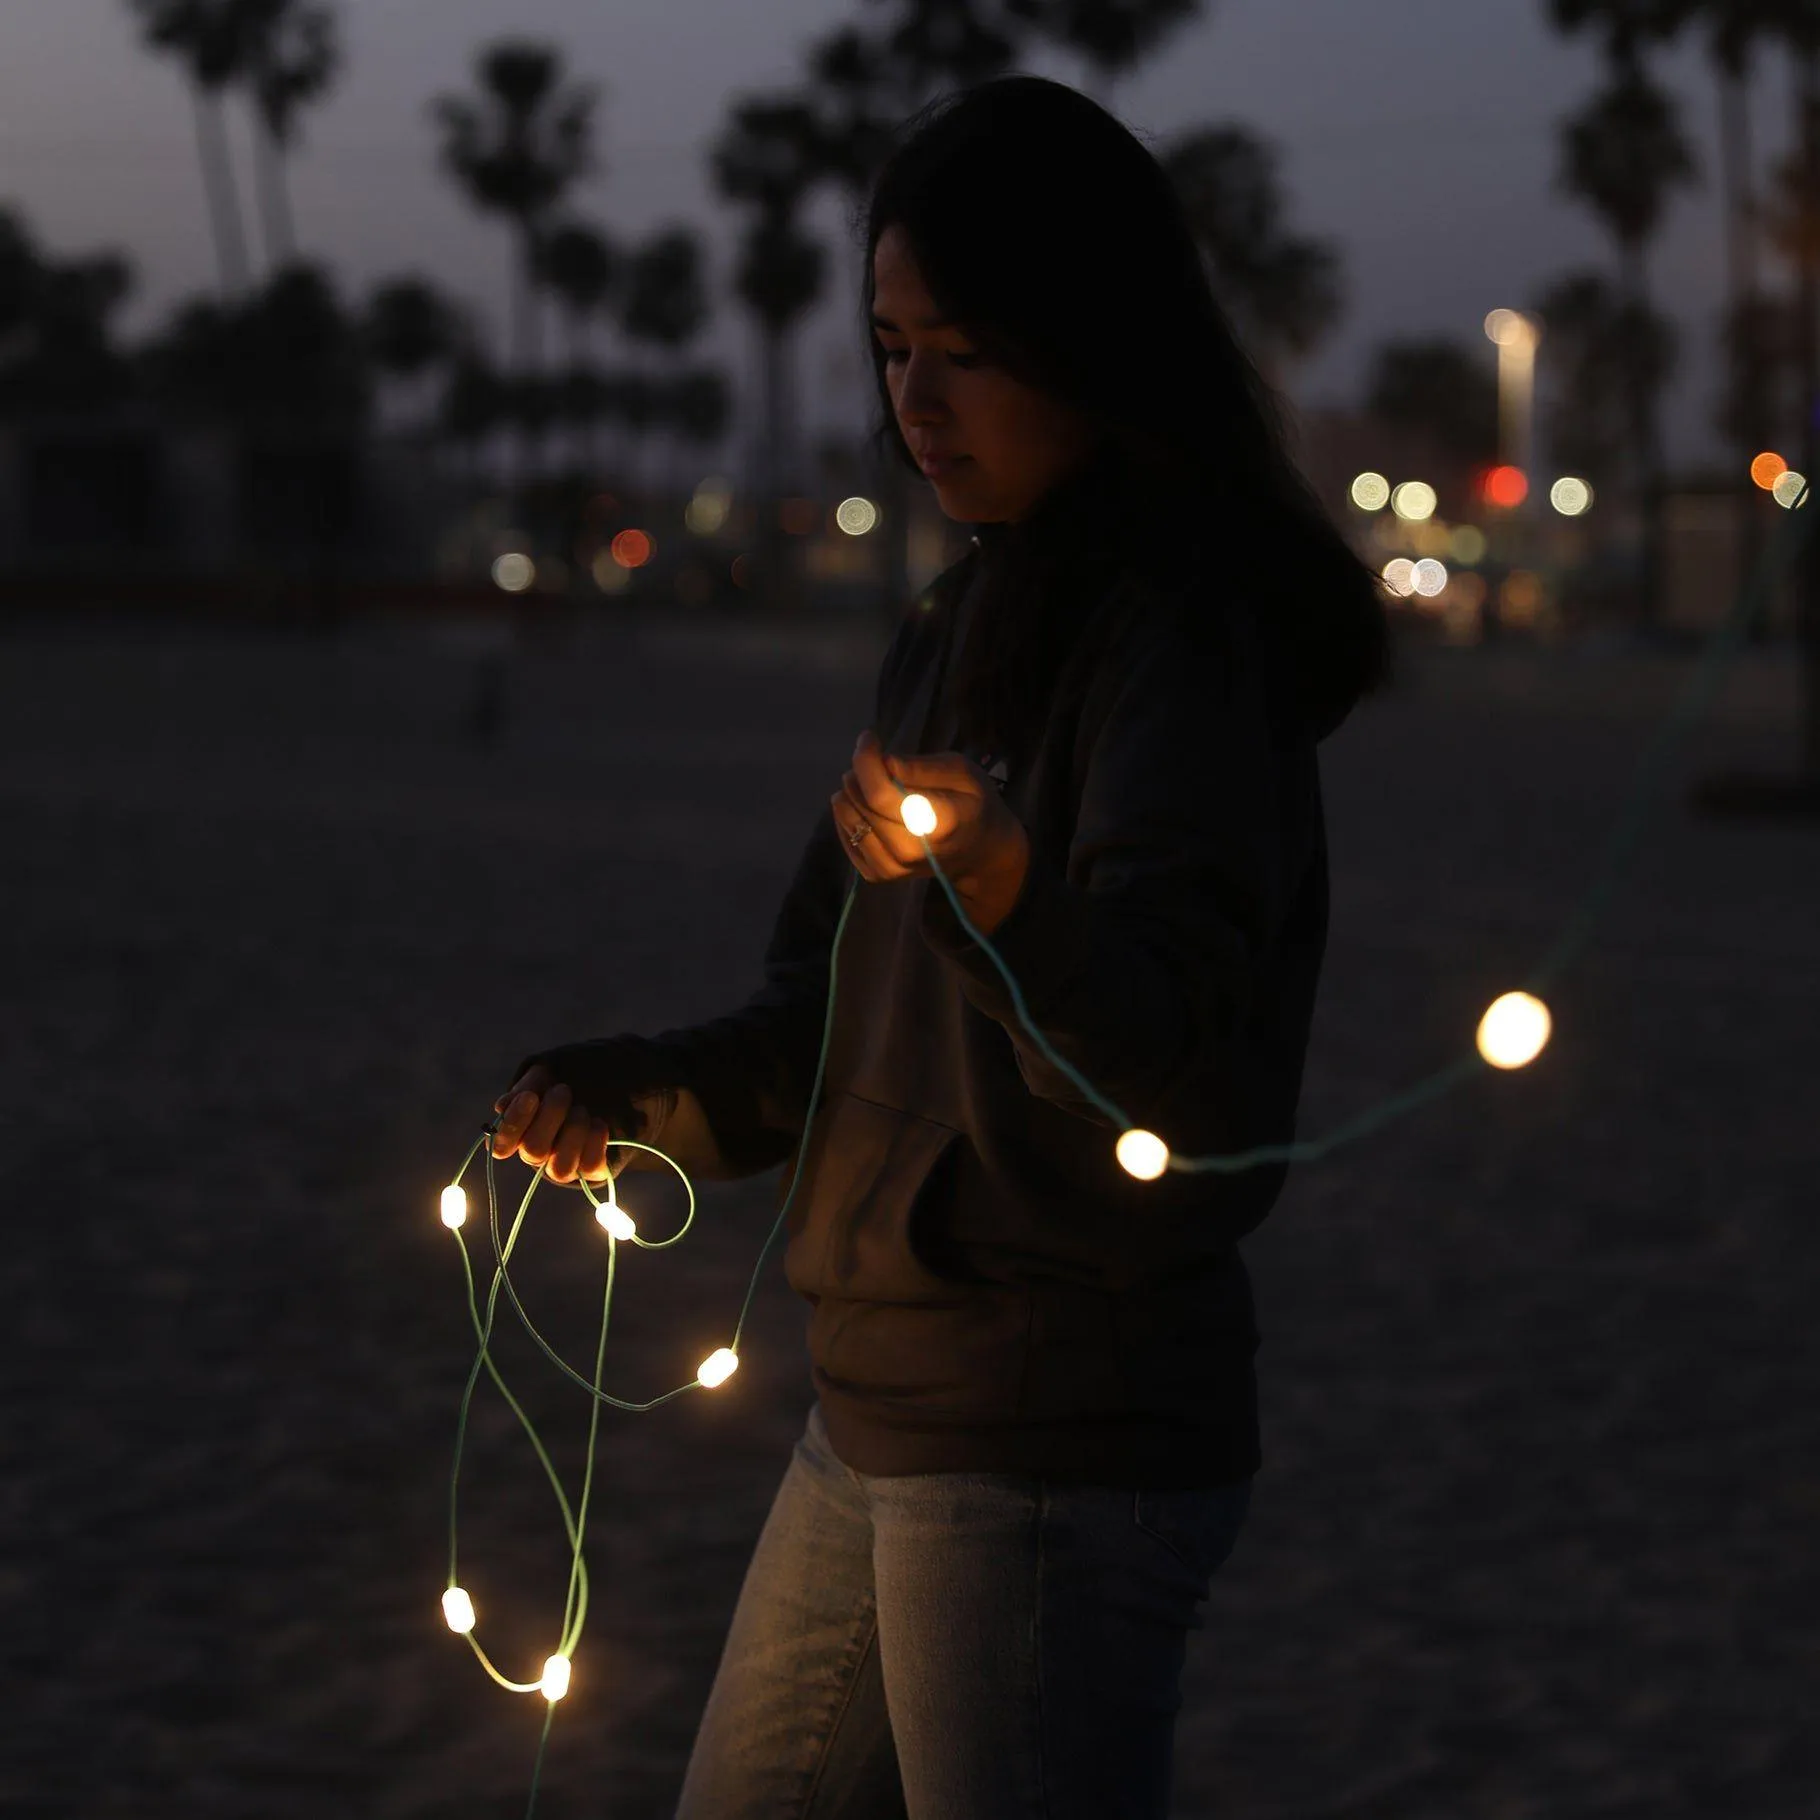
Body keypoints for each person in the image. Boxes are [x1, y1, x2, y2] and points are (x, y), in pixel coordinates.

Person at [489, 75, 1392, 1820]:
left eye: (963, 347)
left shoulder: (1178, 655)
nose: (914, 396)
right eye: (893, 343)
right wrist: (635, 1099)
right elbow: (817, 1022)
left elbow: (1168, 1063)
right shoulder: (958, 624)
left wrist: (999, 882)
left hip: (1052, 1441)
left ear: (1095, 347)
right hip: (884, 1413)